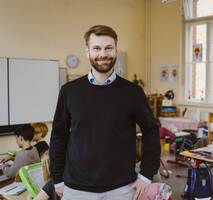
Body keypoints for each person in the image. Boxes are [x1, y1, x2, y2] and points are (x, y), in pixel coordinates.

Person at [50, 25, 161, 200]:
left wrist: (146, 174)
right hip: (76, 189)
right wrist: (57, 180)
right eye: (97, 48)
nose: (103, 54)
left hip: (122, 188)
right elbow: (59, 136)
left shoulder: (132, 92)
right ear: (87, 51)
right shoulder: (69, 91)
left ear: (116, 50)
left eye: (108, 48)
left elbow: (151, 130)